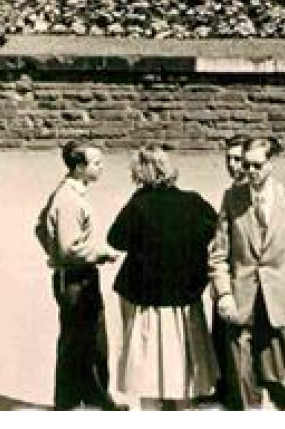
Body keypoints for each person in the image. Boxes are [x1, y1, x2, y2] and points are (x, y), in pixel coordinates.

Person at [107, 145, 219, 410]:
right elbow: (214, 231)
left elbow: (116, 239)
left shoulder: (139, 205)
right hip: (184, 297)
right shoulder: (193, 202)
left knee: (149, 370)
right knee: (184, 366)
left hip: (148, 299)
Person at [209, 136, 285, 411]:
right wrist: (224, 293)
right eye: (246, 165)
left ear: (271, 163)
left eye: (256, 166)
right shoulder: (232, 198)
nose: (249, 172)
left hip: (275, 299)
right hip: (240, 299)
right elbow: (219, 254)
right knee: (241, 375)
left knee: (275, 376)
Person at [35, 141, 122, 411]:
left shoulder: (67, 195)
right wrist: (101, 253)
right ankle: (73, 400)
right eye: (96, 163)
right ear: (80, 167)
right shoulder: (68, 199)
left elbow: (39, 227)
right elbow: (69, 246)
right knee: (79, 339)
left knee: (87, 338)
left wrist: (53, 252)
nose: (101, 167)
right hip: (75, 277)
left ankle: (87, 396)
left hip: (75, 275)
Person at [208, 136, 249, 408]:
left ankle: (238, 397)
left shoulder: (248, 193)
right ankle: (223, 389)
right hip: (225, 271)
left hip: (242, 274)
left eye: (238, 160)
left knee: (238, 340)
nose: (233, 165)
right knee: (221, 334)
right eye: (229, 160)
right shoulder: (230, 192)